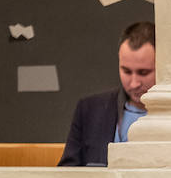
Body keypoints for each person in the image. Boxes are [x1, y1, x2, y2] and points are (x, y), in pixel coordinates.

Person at [58, 21, 156, 167]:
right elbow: (67, 175)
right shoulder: (89, 109)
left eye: (143, 72)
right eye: (126, 71)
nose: (134, 83)